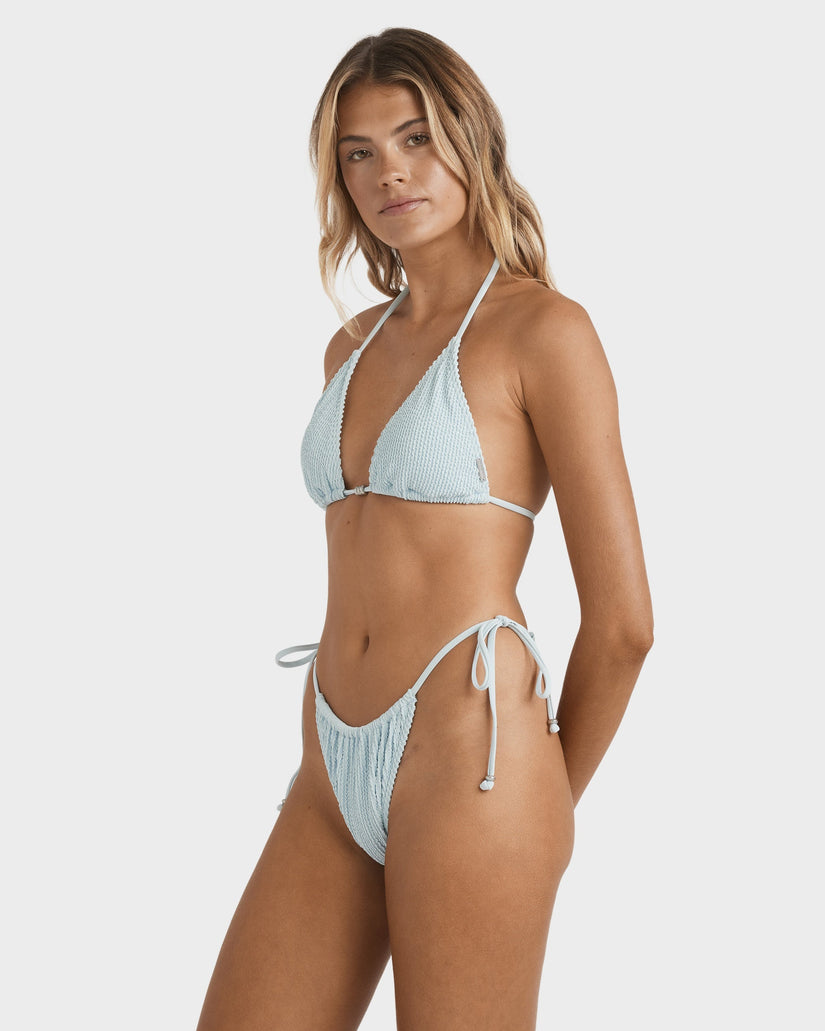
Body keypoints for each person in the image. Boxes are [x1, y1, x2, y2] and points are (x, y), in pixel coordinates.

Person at [197, 26, 653, 1031]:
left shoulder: (545, 330)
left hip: (471, 760)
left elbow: (625, 624)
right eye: (358, 153)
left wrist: (539, 803)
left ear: (470, 140)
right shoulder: (349, 346)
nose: (389, 173)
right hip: (328, 766)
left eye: (414, 138)